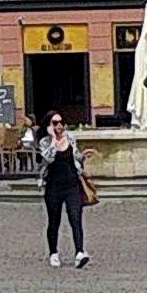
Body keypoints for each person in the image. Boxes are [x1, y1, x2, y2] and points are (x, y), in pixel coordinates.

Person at [37, 111, 92, 269]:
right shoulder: (45, 142)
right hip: (54, 186)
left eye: (61, 122)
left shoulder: (70, 139)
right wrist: (54, 140)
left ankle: (79, 253)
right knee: (54, 221)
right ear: (49, 126)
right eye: (55, 123)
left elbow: (74, 157)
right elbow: (48, 158)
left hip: (72, 185)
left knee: (76, 218)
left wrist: (82, 157)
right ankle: (53, 253)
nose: (59, 126)